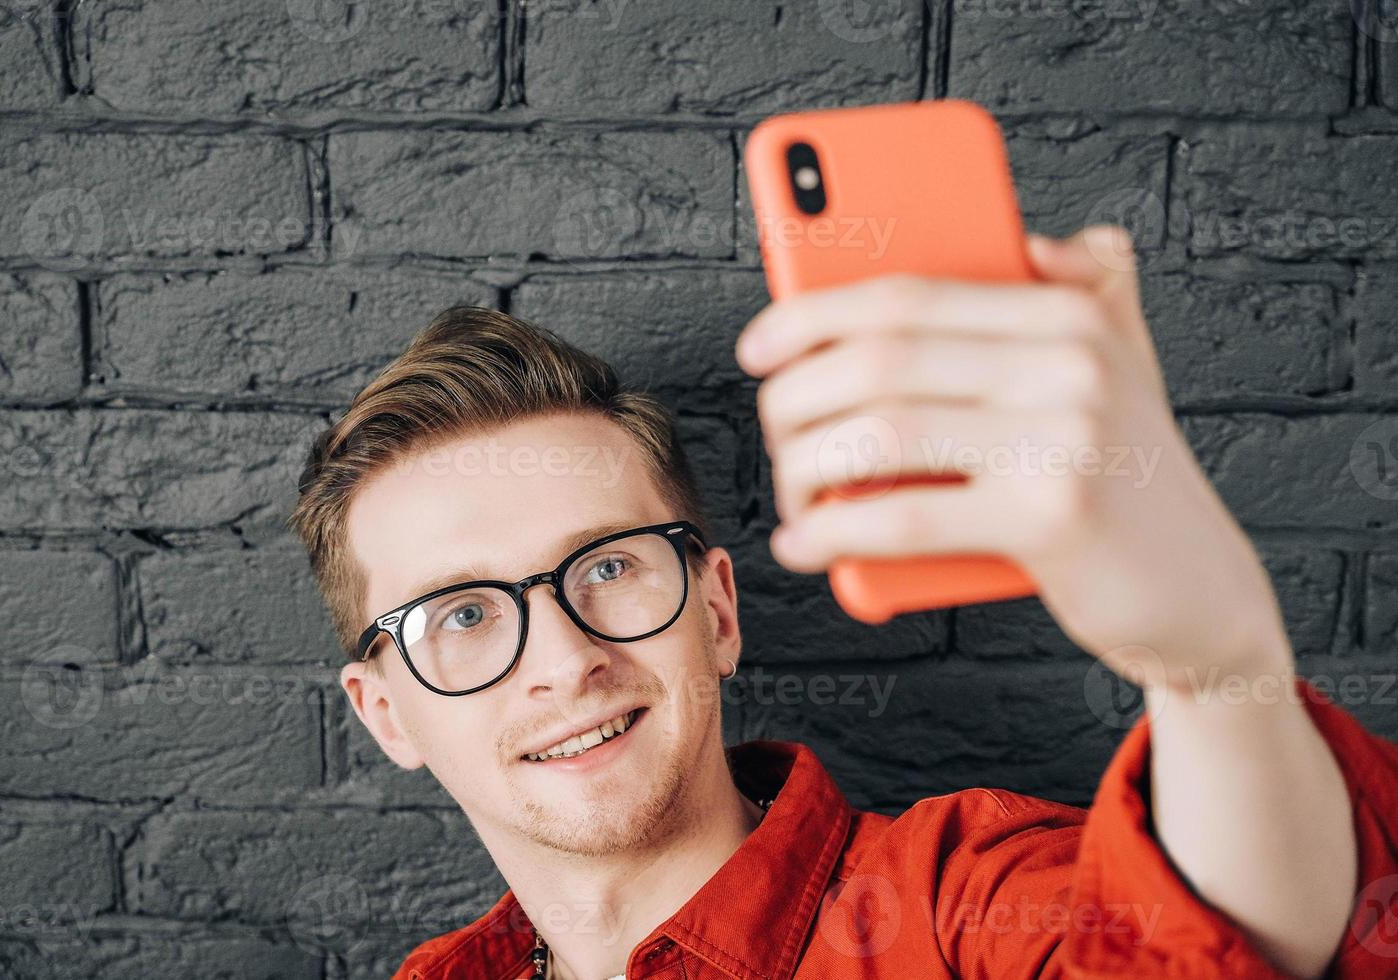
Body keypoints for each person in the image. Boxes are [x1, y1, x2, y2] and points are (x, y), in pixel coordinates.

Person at [288, 226, 1398, 980]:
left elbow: (1236, 942)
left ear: (717, 611)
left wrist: (1212, 666)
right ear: (385, 710)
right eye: (464, 614)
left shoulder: (963, 908)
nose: (563, 657)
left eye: (611, 566)